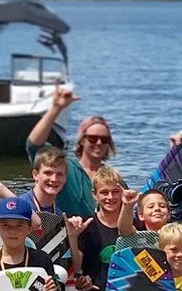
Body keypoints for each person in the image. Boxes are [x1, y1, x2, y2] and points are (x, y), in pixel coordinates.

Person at [26, 87, 116, 218]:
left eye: (104, 139)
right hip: (65, 232)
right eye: (92, 138)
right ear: (82, 140)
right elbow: (33, 145)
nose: (98, 143)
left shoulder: (111, 176)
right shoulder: (65, 168)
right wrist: (56, 108)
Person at [0, 196, 64, 291]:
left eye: (19, 225)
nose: (12, 231)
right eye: (6, 225)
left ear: (29, 228)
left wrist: (54, 286)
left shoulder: (41, 259)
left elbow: (58, 290)